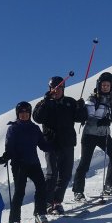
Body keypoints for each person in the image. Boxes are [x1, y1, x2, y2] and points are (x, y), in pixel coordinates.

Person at [32, 75, 87, 215]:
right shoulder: (44, 103)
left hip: (67, 143)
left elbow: (81, 118)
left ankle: (56, 203)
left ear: (63, 88)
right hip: (51, 144)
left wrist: (81, 108)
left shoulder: (70, 102)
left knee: (66, 174)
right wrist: (45, 102)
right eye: (53, 88)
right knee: (51, 175)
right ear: (50, 89)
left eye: (59, 88)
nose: (56, 91)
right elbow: (37, 118)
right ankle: (45, 203)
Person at [71, 72, 112, 200]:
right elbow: (89, 117)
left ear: (111, 86)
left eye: (108, 85)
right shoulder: (93, 99)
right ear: (99, 85)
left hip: (104, 135)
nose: (105, 87)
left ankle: (110, 185)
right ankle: (78, 191)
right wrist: (100, 121)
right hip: (90, 134)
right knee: (85, 163)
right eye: (103, 85)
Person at [5, 101, 53, 223]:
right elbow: (9, 146)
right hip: (19, 164)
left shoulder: (34, 128)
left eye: (27, 112)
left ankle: (39, 214)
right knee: (20, 191)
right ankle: (15, 221)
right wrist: (9, 156)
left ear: (30, 113)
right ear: (18, 114)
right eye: (21, 113)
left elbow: (42, 145)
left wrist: (53, 143)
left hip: (33, 162)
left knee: (41, 186)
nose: (24, 115)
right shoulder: (13, 128)